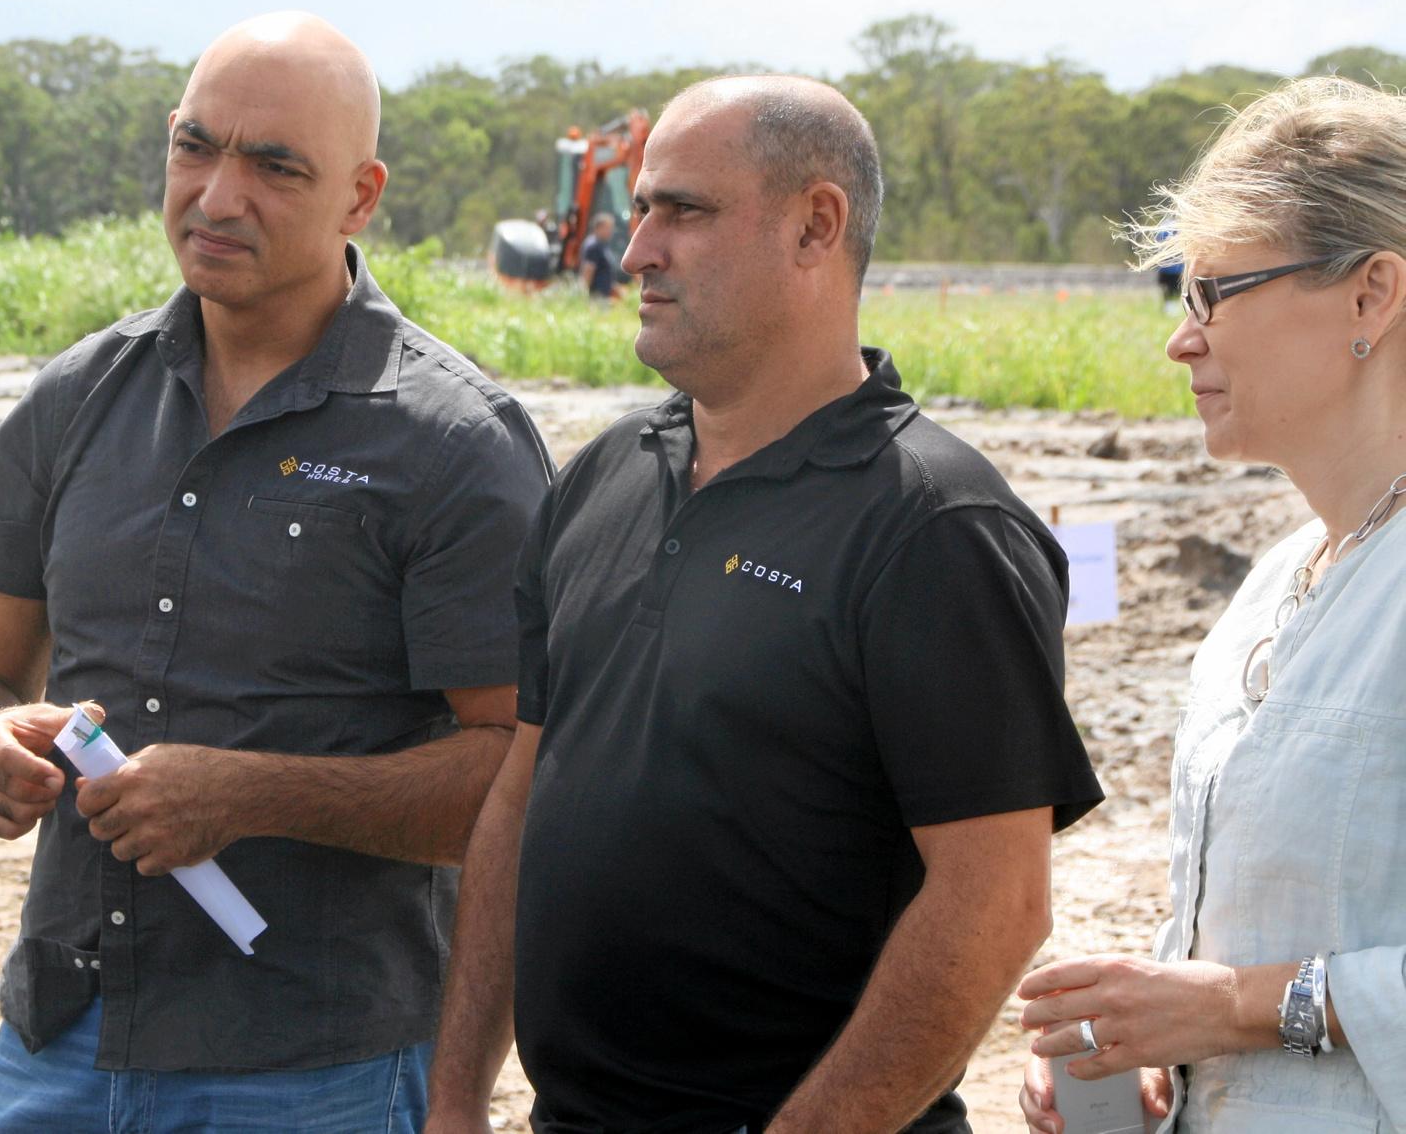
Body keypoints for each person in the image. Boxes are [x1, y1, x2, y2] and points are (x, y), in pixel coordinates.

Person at [426, 74, 1105, 1134]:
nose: (634, 247)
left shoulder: (935, 526)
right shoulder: (600, 477)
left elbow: (994, 901)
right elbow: (518, 798)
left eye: (680, 211)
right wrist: (454, 1100)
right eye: (637, 208)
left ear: (813, 227)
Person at [0, 11, 552, 1133]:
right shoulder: (76, 399)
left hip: (316, 1065)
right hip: (62, 1034)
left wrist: (250, 796)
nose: (215, 195)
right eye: (195, 146)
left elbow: (517, 776)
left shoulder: (452, 444)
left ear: (360, 196)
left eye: (273, 165)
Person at [1018, 77, 1406, 1132]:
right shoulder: (1269, 586)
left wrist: (1233, 1011)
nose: (1179, 340)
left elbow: (1249, 996)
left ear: (1370, 295)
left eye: (1213, 292)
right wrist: (1155, 1053)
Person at [579, 212, 619, 299]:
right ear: (598, 228)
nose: (611, 231)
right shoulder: (593, 246)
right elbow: (588, 271)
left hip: (604, 295)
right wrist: (583, 297)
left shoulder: (602, 244)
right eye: (608, 228)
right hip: (596, 297)